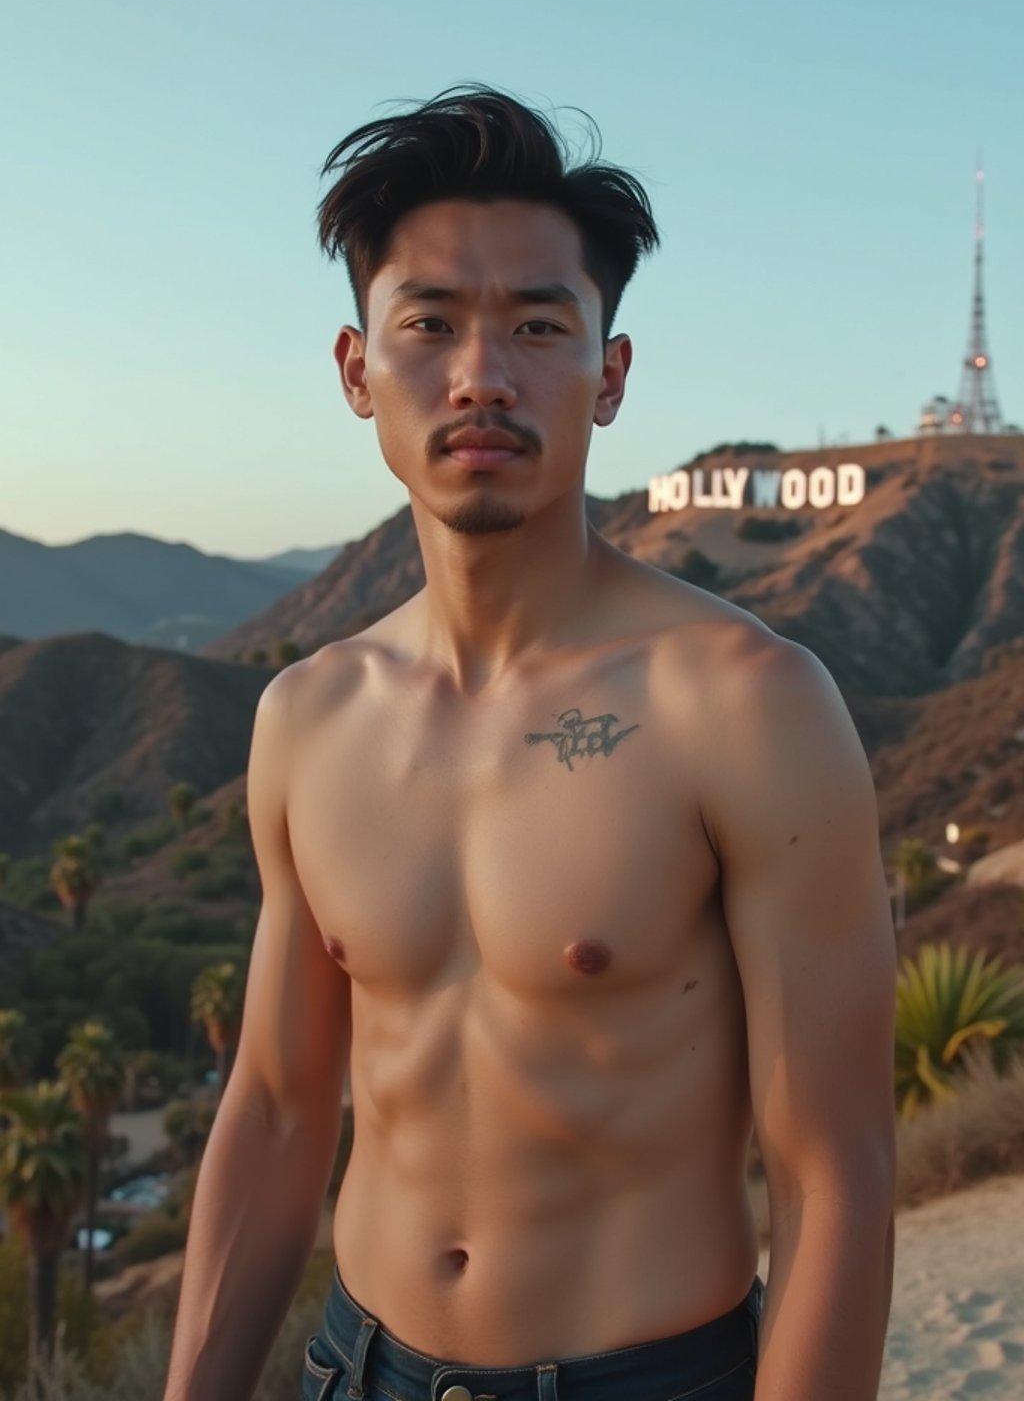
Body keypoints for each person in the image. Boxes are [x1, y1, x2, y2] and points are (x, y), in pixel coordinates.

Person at [163, 88, 896, 1401]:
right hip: (359, 1369)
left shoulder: (743, 705)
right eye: (429, 324)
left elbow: (835, 1172)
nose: (481, 376)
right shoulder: (309, 718)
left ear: (609, 376)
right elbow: (275, 1112)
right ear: (355, 369)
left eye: (539, 327)